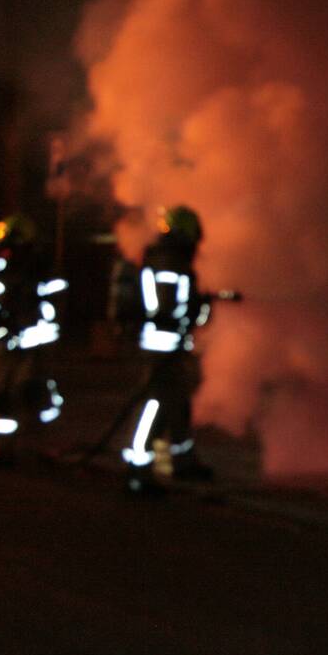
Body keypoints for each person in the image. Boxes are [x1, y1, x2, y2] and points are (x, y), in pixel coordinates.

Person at [121, 205, 214, 495]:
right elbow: (168, 310)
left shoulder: (172, 263)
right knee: (155, 406)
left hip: (172, 345)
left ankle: (184, 462)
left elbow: (185, 310)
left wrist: (202, 306)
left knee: (178, 405)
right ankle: (138, 470)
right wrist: (197, 309)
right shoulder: (168, 265)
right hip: (162, 347)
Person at [0, 213, 66, 468]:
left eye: (9, 247)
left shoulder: (45, 271)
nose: (4, 253)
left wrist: (34, 333)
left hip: (36, 347)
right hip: (6, 346)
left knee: (36, 395)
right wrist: (0, 331)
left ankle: (42, 449)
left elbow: (57, 307)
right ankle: (3, 450)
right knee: (4, 396)